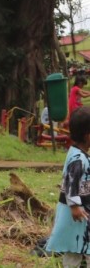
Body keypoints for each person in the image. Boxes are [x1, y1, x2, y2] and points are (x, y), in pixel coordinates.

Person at [46, 106, 90, 266]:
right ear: (87, 136)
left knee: (77, 249)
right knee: (74, 249)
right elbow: (71, 181)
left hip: (81, 216)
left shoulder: (77, 154)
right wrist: (75, 206)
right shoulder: (78, 158)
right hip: (77, 215)